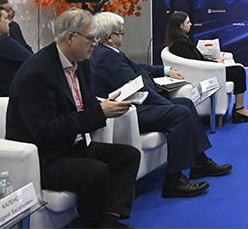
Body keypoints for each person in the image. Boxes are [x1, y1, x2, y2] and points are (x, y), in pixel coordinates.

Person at [6, 9, 140, 229]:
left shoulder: (81, 62)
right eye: (91, 38)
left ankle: (109, 219)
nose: (95, 44)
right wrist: (100, 112)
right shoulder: (37, 72)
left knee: (129, 155)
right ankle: (94, 223)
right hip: (45, 156)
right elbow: (46, 130)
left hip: (71, 145)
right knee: (96, 172)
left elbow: (84, 103)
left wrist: (108, 105)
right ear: (70, 37)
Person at [90, 12, 232, 198]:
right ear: (110, 37)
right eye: (121, 33)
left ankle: (200, 163)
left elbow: (139, 68)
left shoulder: (109, 53)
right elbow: (136, 85)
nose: (123, 36)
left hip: (141, 104)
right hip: (131, 111)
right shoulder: (107, 57)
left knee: (186, 103)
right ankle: (174, 181)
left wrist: (165, 70)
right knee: (180, 112)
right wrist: (165, 103)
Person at [166, 11, 248, 123]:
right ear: (180, 25)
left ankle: (239, 107)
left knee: (236, 68)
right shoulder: (180, 43)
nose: (191, 24)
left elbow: (195, 60)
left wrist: (214, 61)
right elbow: (196, 63)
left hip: (205, 70)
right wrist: (214, 63)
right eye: (188, 22)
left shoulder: (180, 40)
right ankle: (239, 109)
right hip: (205, 74)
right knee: (239, 71)